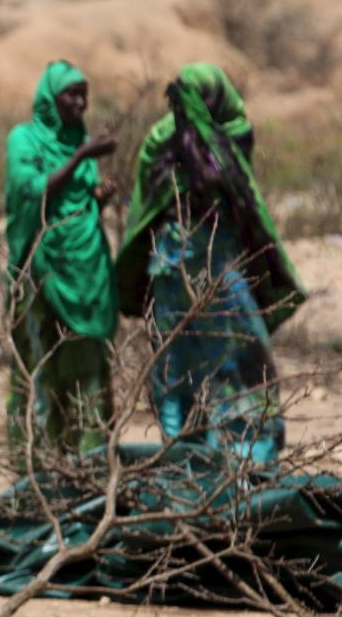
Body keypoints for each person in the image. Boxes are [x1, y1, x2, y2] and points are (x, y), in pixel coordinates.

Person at [114, 63, 307, 464]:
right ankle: (249, 455)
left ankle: (184, 450)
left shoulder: (160, 139)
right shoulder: (226, 140)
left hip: (168, 267)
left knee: (176, 362)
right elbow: (244, 206)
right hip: (214, 267)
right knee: (242, 357)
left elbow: (144, 209)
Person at [4, 60, 120, 464]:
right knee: (40, 364)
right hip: (42, 269)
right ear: (50, 100)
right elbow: (34, 191)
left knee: (86, 365)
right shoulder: (24, 140)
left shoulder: (78, 142)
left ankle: (86, 462)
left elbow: (74, 204)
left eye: (84, 94)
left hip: (84, 269)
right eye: (72, 94)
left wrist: (97, 200)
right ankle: (35, 466)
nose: (81, 103)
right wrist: (84, 155)